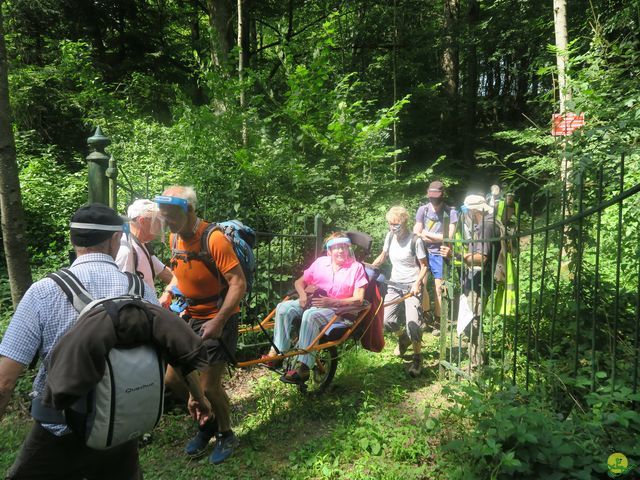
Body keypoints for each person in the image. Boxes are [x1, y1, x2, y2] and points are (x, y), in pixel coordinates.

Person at [0, 203, 211, 480]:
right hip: (118, 427)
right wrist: (197, 396)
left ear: (73, 240)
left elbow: (5, 381)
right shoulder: (140, 291)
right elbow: (173, 349)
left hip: (58, 432)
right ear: (115, 240)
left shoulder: (43, 292)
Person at [156, 186, 246, 465]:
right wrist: (169, 292)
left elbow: (238, 283)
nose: (167, 222)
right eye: (164, 216)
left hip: (219, 316)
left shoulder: (214, 238)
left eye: (171, 216)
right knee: (172, 379)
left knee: (208, 385)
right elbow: (180, 276)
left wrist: (219, 322)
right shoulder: (175, 238)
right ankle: (207, 422)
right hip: (190, 316)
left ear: (189, 211)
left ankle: (226, 432)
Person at [265, 232, 368, 384]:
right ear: (329, 251)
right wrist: (302, 295)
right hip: (315, 302)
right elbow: (299, 282)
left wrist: (333, 302)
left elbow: (359, 299)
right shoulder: (321, 263)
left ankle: (303, 367)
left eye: (344, 247)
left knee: (311, 316)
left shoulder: (356, 267)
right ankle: (278, 353)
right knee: (283, 307)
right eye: (336, 248)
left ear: (348, 249)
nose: (340, 251)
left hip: (339, 309)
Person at [441, 194, 498, 369]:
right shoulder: (484, 224)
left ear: (474, 210)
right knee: (470, 320)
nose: (465, 214)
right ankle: (475, 360)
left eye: (466, 210)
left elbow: (482, 258)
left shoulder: (486, 226)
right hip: (474, 279)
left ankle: (477, 364)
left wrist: (456, 256)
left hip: (480, 280)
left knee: (472, 322)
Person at [371, 207, 428, 377]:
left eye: (396, 224)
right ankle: (403, 339)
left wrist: (417, 283)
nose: (393, 228)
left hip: (412, 285)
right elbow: (383, 256)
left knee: (413, 324)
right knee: (387, 320)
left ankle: (417, 358)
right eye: (390, 224)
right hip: (394, 284)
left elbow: (424, 266)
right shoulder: (390, 237)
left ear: (404, 223)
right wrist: (370, 268)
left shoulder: (415, 241)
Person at [413, 180, 458, 335]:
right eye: (431, 196)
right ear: (428, 194)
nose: (434, 200)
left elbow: (448, 236)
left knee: (439, 288)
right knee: (421, 285)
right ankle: (426, 315)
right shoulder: (423, 210)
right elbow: (416, 231)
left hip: (441, 254)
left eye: (437, 196)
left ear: (442, 195)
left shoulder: (450, 212)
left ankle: (439, 320)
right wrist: (434, 237)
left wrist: (426, 234)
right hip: (423, 253)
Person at [116, 199, 174, 293]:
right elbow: (121, 292)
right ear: (142, 221)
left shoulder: (142, 244)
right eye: (157, 221)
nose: (160, 226)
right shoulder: (126, 250)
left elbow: (165, 273)